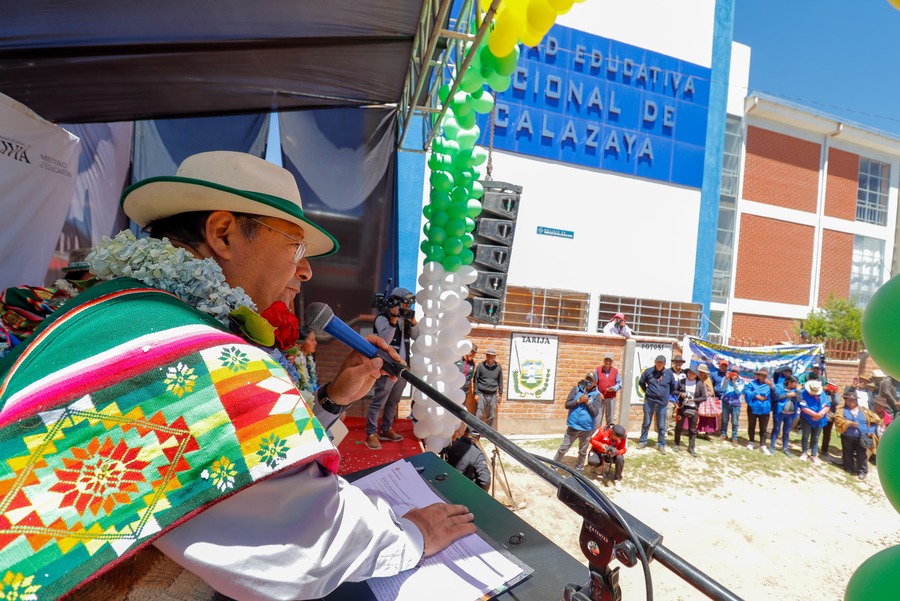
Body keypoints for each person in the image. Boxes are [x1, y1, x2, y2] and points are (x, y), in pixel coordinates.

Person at [0, 152, 475, 599]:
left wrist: (333, 398)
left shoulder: (109, 309)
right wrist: (413, 533)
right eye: (295, 245)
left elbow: (228, 458)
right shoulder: (201, 353)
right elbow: (304, 547)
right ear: (223, 233)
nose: (305, 270)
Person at [365, 286, 418, 450]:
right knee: (379, 401)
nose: (408, 306)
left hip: (403, 366)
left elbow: (417, 337)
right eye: (406, 302)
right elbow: (384, 341)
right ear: (396, 302)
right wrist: (393, 320)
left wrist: (413, 322)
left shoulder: (406, 318)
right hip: (387, 366)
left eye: (410, 303)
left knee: (393, 401)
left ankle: (386, 429)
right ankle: (371, 433)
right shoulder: (382, 318)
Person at [553, 372, 601, 472]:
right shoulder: (576, 389)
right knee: (563, 448)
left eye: (591, 381)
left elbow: (595, 413)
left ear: (595, 383)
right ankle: (554, 466)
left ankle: (579, 470)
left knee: (583, 451)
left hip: (586, 429)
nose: (588, 382)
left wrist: (588, 403)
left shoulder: (597, 395)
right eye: (587, 379)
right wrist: (578, 401)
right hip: (573, 426)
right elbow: (567, 405)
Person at [834, 388, 881, 481]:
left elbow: (875, 421)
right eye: (849, 400)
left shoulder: (865, 410)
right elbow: (838, 420)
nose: (851, 402)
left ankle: (862, 471)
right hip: (847, 435)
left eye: (853, 400)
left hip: (862, 436)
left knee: (862, 454)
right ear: (846, 400)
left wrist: (871, 431)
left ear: (857, 400)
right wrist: (849, 423)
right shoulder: (842, 410)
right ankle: (849, 468)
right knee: (847, 452)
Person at [638, 355, 677, 454]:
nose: (659, 364)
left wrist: (665, 395)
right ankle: (643, 441)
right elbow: (641, 382)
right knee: (646, 422)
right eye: (658, 362)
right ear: (655, 362)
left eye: (661, 363)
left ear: (664, 364)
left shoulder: (669, 373)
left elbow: (673, 387)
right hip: (649, 401)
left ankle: (661, 444)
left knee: (661, 425)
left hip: (662, 403)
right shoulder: (648, 371)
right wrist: (648, 392)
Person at [441, 422, 491, 491]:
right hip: (465, 492)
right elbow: (485, 481)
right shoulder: (477, 454)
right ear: (478, 437)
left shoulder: (454, 445)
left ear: (465, 433)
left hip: (449, 488)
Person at [673, 365, 708, 456]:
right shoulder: (682, 381)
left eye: (693, 373)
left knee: (692, 429)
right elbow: (674, 391)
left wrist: (694, 400)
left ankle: (691, 448)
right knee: (679, 427)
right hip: (682, 408)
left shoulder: (699, 384)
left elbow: (704, 397)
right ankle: (676, 444)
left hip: (693, 409)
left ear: (696, 375)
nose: (690, 374)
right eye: (689, 372)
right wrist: (681, 394)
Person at [588, 423, 627, 491]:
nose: (619, 439)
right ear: (612, 432)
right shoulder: (602, 430)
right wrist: (601, 445)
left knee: (620, 458)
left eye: (620, 437)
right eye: (617, 437)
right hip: (599, 451)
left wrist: (616, 452)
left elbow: (624, 449)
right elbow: (592, 440)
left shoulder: (622, 435)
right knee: (592, 461)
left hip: (612, 454)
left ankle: (617, 479)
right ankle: (599, 465)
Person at [798, 379, 830, 464]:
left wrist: (820, 414)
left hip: (820, 419)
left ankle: (814, 454)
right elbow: (803, 407)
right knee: (805, 435)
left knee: (816, 437)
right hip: (807, 418)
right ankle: (804, 452)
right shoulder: (803, 393)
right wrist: (815, 415)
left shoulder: (822, 394)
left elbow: (827, 405)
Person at [743, 368, 773, 454]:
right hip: (753, 407)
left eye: (765, 376)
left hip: (765, 408)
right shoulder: (752, 384)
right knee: (751, 425)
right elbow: (747, 392)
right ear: (758, 375)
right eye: (761, 375)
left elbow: (776, 395)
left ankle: (762, 445)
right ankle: (751, 442)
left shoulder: (770, 385)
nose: (763, 377)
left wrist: (772, 386)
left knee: (763, 428)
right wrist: (756, 395)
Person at [770, 375, 800, 456]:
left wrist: (797, 391)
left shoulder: (796, 390)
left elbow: (799, 400)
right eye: (795, 383)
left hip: (790, 414)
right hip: (780, 412)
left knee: (787, 431)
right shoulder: (780, 388)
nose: (796, 385)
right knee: (776, 429)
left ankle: (785, 447)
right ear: (789, 382)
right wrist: (789, 394)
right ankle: (772, 446)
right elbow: (776, 397)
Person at [474, 348, 503, 428]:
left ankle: (489, 431)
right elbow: (476, 380)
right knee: (479, 413)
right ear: (486, 356)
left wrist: (500, 394)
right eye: (489, 356)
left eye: (492, 356)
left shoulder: (498, 367)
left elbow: (500, 381)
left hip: (493, 394)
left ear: (495, 357)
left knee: (491, 415)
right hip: (481, 394)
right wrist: (476, 393)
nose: (490, 358)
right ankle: (476, 430)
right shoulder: (480, 366)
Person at [717, 365, 744, 446]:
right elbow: (723, 389)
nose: (734, 374)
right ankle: (723, 434)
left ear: (738, 373)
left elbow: (738, 391)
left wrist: (734, 382)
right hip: (726, 402)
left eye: (735, 372)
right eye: (732, 372)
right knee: (725, 420)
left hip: (736, 403)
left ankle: (734, 437)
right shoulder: (726, 378)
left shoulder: (741, 381)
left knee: (735, 422)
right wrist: (726, 379)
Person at [594, 352, 622, 428]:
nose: (608, 362)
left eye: (609, 361)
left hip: (611, 397)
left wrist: (614, 388)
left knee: (610, 417)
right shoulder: (598, 370)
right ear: (604, 361)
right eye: (606, 360)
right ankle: (597, 432)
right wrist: (598, 393)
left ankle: (609, 432)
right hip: (600, 397)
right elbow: (594, 384)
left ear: (612, 362)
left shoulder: (615, 371)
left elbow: (619, 383)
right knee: (598, 417)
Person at [290, 326, 319, 395]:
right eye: (312, 340)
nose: (315, 343)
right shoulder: (293, 357)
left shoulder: (309, 358)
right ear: (300, 342)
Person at [696, 363, 721, 439]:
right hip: (697, 399)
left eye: (703, 372)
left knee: (707, 417)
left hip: (706, 401)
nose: (701, 373)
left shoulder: (708, 380)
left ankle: (707, 432)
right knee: (696, 416)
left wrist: (705, 395)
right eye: (700, 372)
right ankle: (695, 431)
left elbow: (711, 391)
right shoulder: (696, 379)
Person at [456, 343, 478, 414]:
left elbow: (471, 376)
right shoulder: (458, 359)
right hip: (455, 389)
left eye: (474, 353)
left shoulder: (472, 363)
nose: (473, 355)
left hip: (464, 391)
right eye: (471, 352)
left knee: (460, 409)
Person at [667, 355, 687, 435]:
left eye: (680, 362)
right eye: (677, 362)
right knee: (668, 414)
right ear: (674, 363)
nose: (678, 364)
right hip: (670, 396)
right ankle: (664, 430)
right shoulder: (669, 372)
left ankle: (671, 429)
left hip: (679, 398)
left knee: (675, 414)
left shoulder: (684, 374)